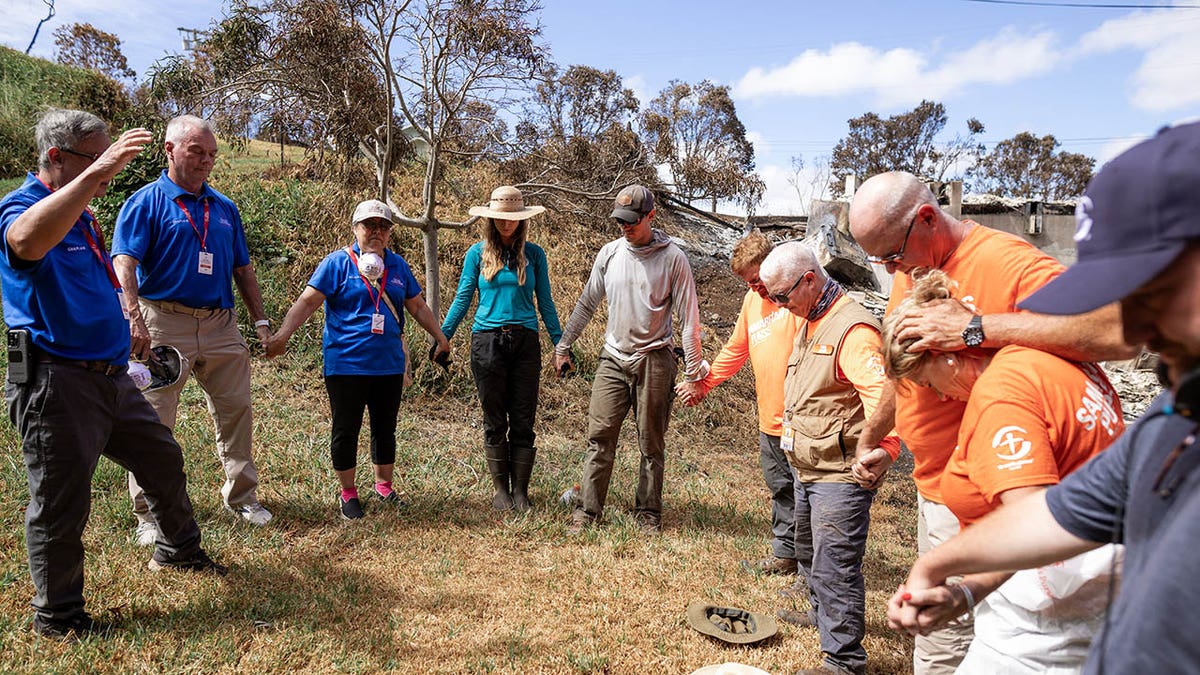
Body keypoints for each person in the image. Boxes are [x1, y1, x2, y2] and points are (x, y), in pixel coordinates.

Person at [887, 120, 1200, 674]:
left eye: (1151, 291)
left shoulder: (1007, 387)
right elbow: (1057, 515)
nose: (1138, 326)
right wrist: (947, 572)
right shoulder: (1173, 419)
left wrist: (979, 327)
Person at [846, 171, 1132, 673]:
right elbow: (903, 366)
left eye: (894, 255)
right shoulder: (914, 271)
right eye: (883, 262)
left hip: (1009, 485)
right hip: (943, 485)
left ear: (927, 219)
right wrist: (876, 434)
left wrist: (975, 328)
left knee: (984, 638)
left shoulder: (1008, 262)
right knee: (953, 629)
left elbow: (1118, 330)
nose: (894, 270)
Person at [0, 109, 227, 640]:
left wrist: (124, 327)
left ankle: (178, 551)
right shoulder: (24, 205)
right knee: (60, 498)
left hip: (110, 376)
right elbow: (26, 243)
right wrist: (90, 178)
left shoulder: (83, 215)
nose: (108, 176)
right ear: (57, 158)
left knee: (162, 456)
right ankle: (58, 618)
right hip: (56, 379)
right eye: (99, 162)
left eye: (111, 164)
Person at [882, 268, 1124, 672]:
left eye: (929, 383)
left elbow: (1032, 527)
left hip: (1044, 629)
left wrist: (934, 565)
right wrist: (967, 596)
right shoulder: (1052, 359)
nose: (940, 395)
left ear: (947, 354)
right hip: (1098, 599)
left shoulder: (1001, 398)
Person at [112, 115, 273, 544]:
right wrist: (132, 318)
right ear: (169, 149)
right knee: (153, 418)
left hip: (220, 324)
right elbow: (123, 261)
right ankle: (149, 514)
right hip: (163, 322)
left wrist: (259, 320)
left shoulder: (224, 208)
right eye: (196, 151)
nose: (205, 161)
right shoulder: (145, 202)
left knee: (236, 409)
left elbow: (243, 267)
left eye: (211, 154)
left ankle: (242, 497)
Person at [759, 242, 900, 675]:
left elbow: (886, 400)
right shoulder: (811, 315)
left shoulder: (854, 330)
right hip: (807, 464)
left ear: (809, 280)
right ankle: (821, 616)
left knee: (835, 565)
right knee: (809, 552)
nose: (777, 306)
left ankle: (843, 661)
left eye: (781, 296)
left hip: (839, 474)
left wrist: (885, 449)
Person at [264, 199, 450, 519]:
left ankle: (383, 486)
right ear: (355, 229)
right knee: (346, 429)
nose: (376, 232)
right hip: (345, 364)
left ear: (390, 233)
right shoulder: (336, 263)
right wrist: (282, 336)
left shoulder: (398, 267)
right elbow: (308, 303)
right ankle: (348, 493)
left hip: (388, 364)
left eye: (383, 226)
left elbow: (417, 307)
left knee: (385, 427)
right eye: (369, 225)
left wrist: (441, 336)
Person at [554, 184, 709, 533]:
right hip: (612, 358)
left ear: (651, 217)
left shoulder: (673, 259)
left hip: (654, 357)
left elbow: (689, 320)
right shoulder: (609, 253)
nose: (625, 227)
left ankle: (648, 513)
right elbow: (586, 303)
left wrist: (693, 372)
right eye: (620, 220)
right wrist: (564, 344)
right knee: (600, 435)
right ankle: (588, 512)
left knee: (651, 442)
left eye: (632, 221)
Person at [675, 230, 804, 575]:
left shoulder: (797, 301)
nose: (755, 288)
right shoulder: (752, 302)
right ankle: (785, 553)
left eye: (758, 280)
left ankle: (811, 564)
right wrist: (704, 385)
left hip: (803, 420)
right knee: (781, 488)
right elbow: (736, 349)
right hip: (770, 418)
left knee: (807, 494)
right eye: (748, 283)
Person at [441, 186, 562, 512]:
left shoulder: (534, 255)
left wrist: (560, 344)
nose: (506, 224)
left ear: (521, 220)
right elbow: (463, 297)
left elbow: (545, 301)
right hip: (487, 342)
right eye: (500, 219)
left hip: (525, 342)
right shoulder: (476, 254)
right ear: (491, 219)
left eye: (512, 219)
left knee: (523, 418)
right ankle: (500, 492)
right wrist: (443, 336)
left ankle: (520, 491)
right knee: (494, 419)